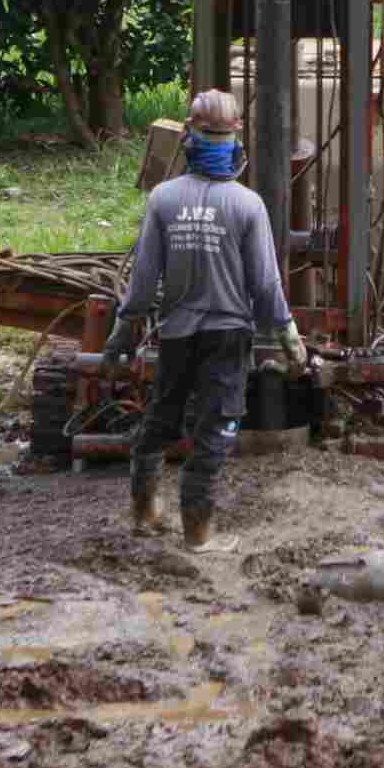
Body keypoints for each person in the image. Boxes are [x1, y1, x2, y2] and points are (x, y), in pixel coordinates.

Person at [103, 88, 307, 548]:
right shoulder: (247, 204)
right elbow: (265, 284)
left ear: (188, 136)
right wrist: (290, 336)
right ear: (235, 140)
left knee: (161, 418)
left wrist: (123, 328)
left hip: (176, 333)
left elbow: (144, 278)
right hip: (227, 337)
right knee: (215, 428)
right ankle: (198, 534)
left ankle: (145, 512)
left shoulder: (163, 199)